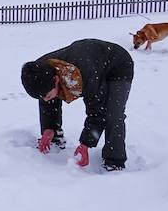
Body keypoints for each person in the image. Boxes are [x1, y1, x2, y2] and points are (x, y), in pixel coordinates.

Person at [20, 38, 133, 171]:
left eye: (47, 95)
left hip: (117, 66)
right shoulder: (40, 71)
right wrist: (49, 129)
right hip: (90, 59)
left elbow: (97, 111)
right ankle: (56, 138)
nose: (45, 100)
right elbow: (47, 99)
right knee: (49, 96)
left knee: (113, 113)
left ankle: (114, 161)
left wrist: (85, 144)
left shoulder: (85, 75)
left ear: (56, 79)